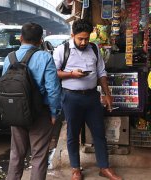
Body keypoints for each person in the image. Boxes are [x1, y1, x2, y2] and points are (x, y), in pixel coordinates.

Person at [53, 19, 122, 180]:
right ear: (73, 35)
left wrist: (107, 94)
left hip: (92, 97)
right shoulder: (61, 50)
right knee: (73, 134)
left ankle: (104, 167)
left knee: (99, 133)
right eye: (80, 39)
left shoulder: (94, 48)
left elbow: (101, 73)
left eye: (86, 38)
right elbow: (53, 73)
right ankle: (75, 169)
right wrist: (71, 74)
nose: (84, 42)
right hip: (71, 98)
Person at [2, 23, 61, 180]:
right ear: (41, 40)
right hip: (40, 113)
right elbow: (53, 90)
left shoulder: (9, 58)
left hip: (16, 112)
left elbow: (4, 86)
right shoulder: (45, 57)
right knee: (39, 156)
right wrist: (55, 113)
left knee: (16, 154)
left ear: (20, 38)